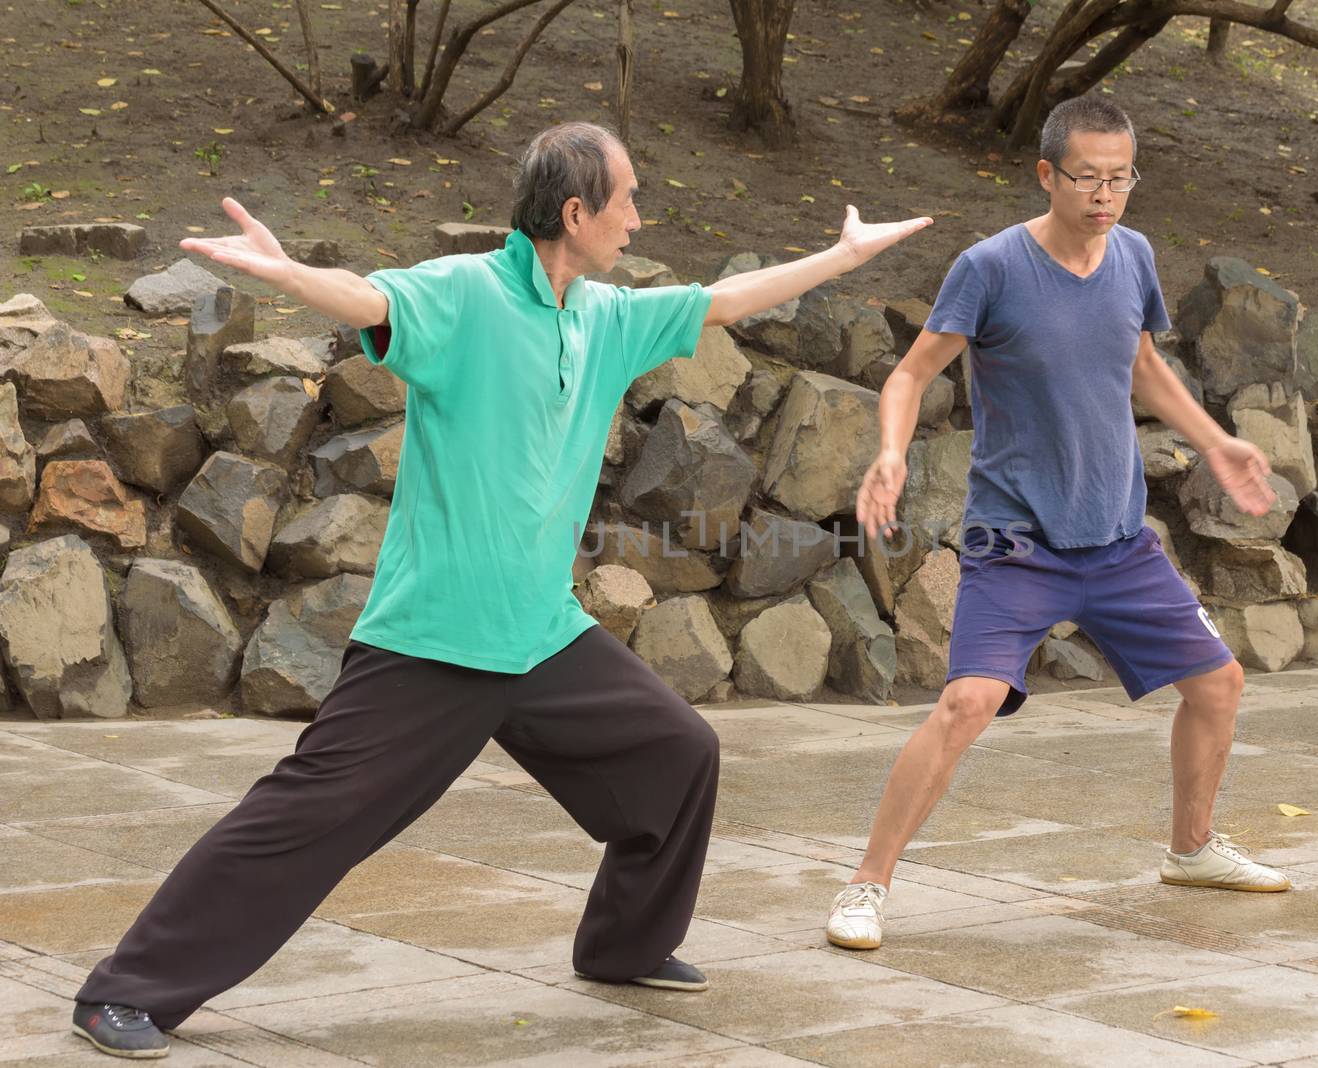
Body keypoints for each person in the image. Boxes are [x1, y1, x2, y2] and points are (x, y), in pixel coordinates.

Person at [70, 120, 931, 1059]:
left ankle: (623, 945)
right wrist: (283, 275)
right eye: (627, 200)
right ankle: (126, 992)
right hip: (435, 638)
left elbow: (723, 301)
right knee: (305, 819)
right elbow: (366, 297)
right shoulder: (466, 295)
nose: (640, 218)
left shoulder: (603, 314)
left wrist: (839, 257)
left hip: (542, 633)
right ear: (575, 211)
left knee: (678, 754)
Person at [824, 98, 1291, 953]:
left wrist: (1216, 440)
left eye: (1121, 178)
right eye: (1088, 178)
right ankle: (866, 885)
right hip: (1016, 542)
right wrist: (891, 453)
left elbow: (1143, 366)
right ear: (1047, 174)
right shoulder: (991, 267)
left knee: (1220, 684)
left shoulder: (1135, 257)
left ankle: (1191, 850)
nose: (1106, 195)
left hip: (1116, 538)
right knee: (969, 701)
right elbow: (909, 374)